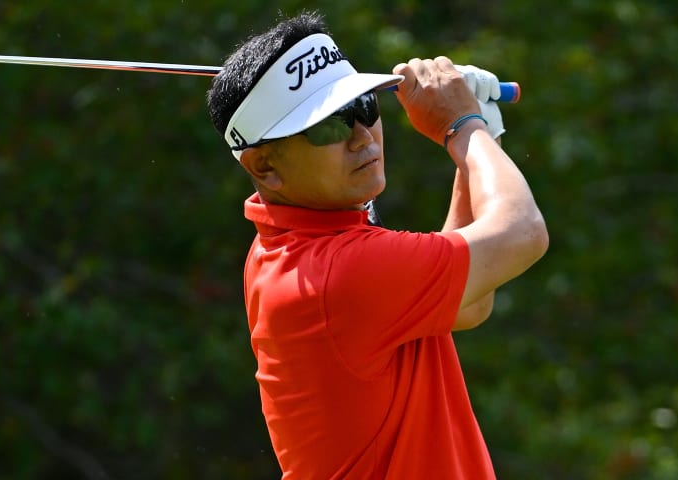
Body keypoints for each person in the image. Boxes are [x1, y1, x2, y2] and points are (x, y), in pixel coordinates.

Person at [206, 11, 548, 480]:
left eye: (364, 106)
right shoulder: (338, 274)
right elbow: (522, 232)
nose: (362, 136)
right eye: (330, 125)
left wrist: (481, 130)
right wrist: (463, 125)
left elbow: (471, 301)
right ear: (264, 166)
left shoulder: (292, 248)